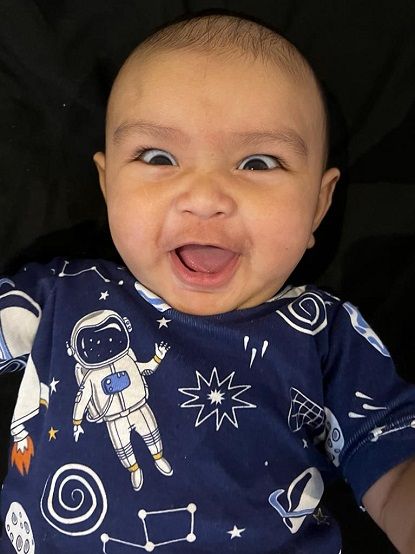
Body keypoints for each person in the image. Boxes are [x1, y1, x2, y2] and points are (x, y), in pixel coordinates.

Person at [0, 13, 414, 554]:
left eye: (258, 163)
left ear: (318, 204)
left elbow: (395, 469)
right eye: (158, 157)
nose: (204, 198)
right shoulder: (59, 295)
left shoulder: (323, 333)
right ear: (107, 186)